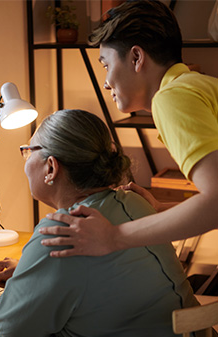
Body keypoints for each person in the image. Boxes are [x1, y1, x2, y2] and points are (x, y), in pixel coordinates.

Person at [0, 109, 210, 337]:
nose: (25, 161)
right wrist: (31, 272)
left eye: (28, 151)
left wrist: (35, 273)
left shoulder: (65, 231)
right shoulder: (134, 200)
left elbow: (12, 332)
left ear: (51, 167)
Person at [38, 0, 218, 258]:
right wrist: (161, 208)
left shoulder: (171, 98)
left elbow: (215, 203)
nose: (106, 83)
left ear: (136, 57)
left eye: (106, 65)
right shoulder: (195, 86)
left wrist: (112, 237)